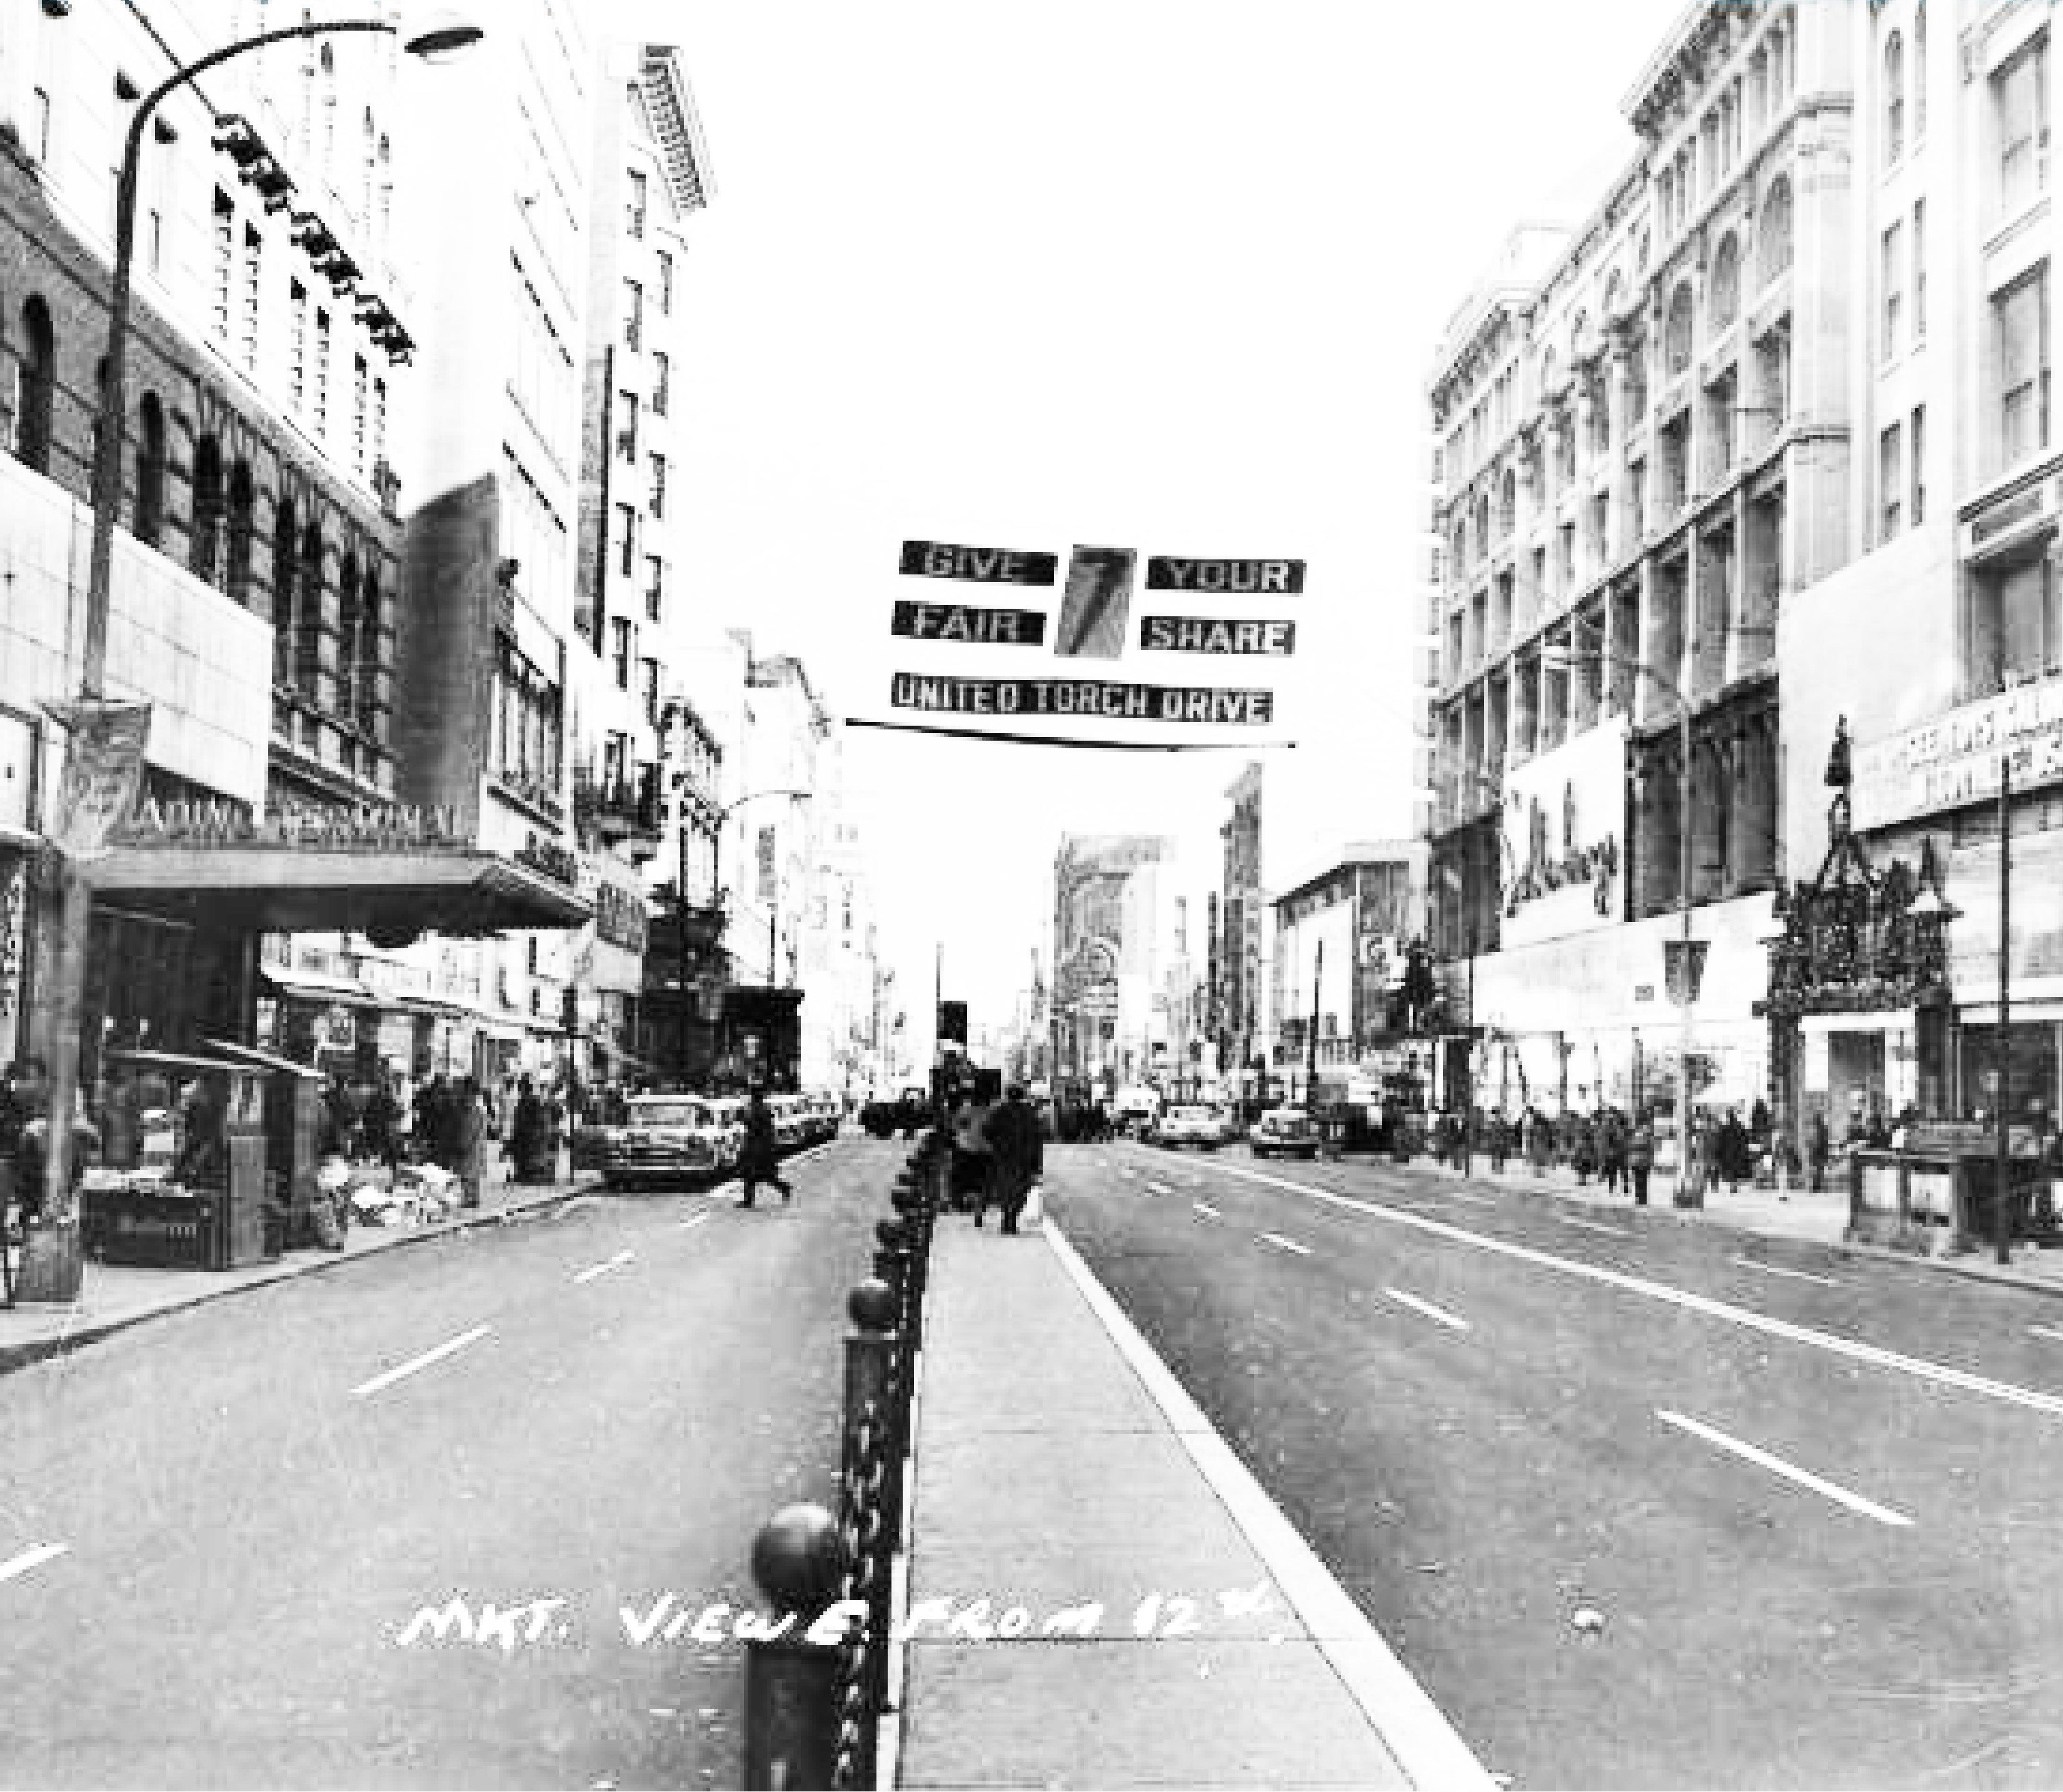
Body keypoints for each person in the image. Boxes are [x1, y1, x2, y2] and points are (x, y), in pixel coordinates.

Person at [980, 1084, 1044, 1234]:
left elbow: (987, 1131)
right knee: (1021, 1188)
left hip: (1004, 1157)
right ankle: (1012, 1218)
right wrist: (1037, 1161)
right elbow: (1037, 1137)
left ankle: (1008, 1217)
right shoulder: (1030, 1113)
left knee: (1006, 1186)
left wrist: (997, 1144)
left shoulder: (1000, 1111)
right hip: (1025, 1158)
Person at [737, 1086, 791, 1209]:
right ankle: (748, 1200)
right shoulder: (762, 1109)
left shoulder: (757, 1110)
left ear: (754, 1097)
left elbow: (754, 1126)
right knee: (753, 1175)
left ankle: (783, 1187)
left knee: (758, 1174)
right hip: (761, 1147)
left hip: (757, 1148)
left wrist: (744, 1118)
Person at [453, 1076, 488, 1209]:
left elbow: (472, 1126)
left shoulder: (473, 1105)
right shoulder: (478, 1104)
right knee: (472, 1171)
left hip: (470, 1142)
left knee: (468, 1171)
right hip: (475, 1141)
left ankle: (470, 1198)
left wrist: (465, 1142)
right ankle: (473, 1198)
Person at [1625, 1109, 1655, 1205]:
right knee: (1640, 1180)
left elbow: (1648, 1146)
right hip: (1638, 1159)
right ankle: (1640, 1199)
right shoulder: (1638, 1131)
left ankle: (1641, 1199)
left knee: (1640, 1180)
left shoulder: (1643, 1131)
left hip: (1640, 1159)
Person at [1807, 1110, 1831, 1193]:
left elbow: (1819, 1141)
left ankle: (1817, 1187)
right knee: (1818, 1170)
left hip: (1819, 1152)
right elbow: (1823, 1141)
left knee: (1818, 1170)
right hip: (1819, 1152)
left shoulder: (1819, 1129)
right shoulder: (1821, 1129)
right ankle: (1817, 1187)